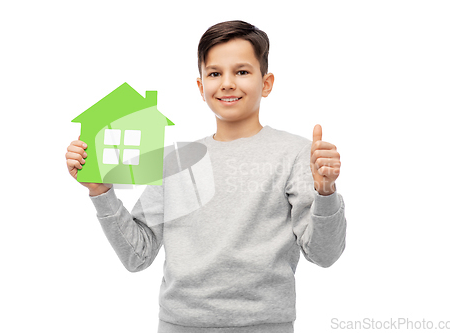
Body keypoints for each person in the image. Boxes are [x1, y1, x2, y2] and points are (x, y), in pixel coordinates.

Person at [66, 20, 346, 333]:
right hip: (180, 324)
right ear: (201, 87)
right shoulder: (176, 161)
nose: (227, 83)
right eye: (215, 73)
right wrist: (100, 192)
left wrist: (326, 193)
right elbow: (138, 255)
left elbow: (323, 255)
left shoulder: (296, 154)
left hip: (265, 325)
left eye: (241, 71)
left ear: (266, 83)